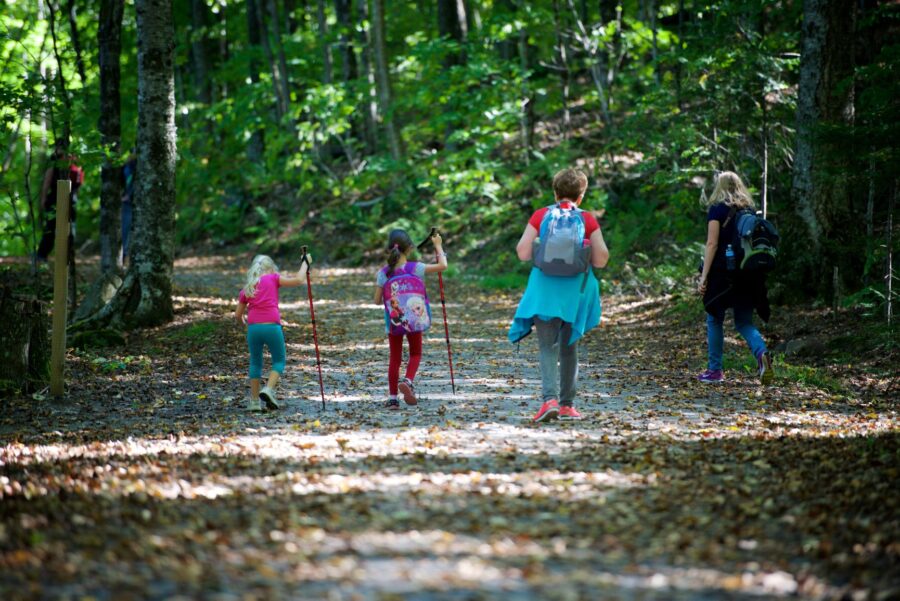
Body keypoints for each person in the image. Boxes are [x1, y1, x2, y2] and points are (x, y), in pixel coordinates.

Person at [509, 168, 609, 423]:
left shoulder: (541, 215)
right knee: (569, 346)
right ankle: (567, 405)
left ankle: (549, 401)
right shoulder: (587, 219)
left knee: (546, 346)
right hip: (575, 293)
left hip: (544, 291)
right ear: (581, 195)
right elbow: (601, 260)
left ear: (555, 192)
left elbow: (522, 252)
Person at [697, 171, 774, 384]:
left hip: (723, 274)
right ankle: (762, 354)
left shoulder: (717, 209)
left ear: (719, 187)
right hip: (748, 273)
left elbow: (712, 244)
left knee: (714, 318)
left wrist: (704, 278)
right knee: (743, 321)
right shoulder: (748, 210)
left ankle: (715, 370)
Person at [374, 229, 448, 409]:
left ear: (389, 249)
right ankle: (408, 381)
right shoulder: (417, 268)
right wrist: (438, 245)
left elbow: (376, 301)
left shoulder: (384, 273)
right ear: (410, 248)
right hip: (415, 320)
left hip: (394, 322)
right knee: (415, 353)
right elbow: (443, 266)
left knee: (395, 358)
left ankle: (392, 399)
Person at [235, 254, 310, 411]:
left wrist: (245, 325)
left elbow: (238, 315)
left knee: (255, 362)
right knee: (279, 360)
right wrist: (305, 263)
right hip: (272, 326)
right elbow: (298, 280)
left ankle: (255, 402)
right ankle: (268, 389)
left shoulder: (247, 288)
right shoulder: (273, 278)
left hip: (253, 328)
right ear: (270, 268)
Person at [36, 147, 84, 262]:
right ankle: (41, 255)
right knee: (50, 228)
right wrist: (43, 199)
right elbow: (47, 182)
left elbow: (79, 185)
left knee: (70, 229)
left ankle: (67, 256)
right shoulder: (54, 166)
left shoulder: (76, 167)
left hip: (70, 200)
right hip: (54, 200)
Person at [120, 148, 137, 260]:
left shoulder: (140, 165)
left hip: (133, 201)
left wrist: (130, 195)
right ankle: (124, 255)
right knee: (125, 229)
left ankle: (127, 255)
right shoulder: (127, 165)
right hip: (127, 203)